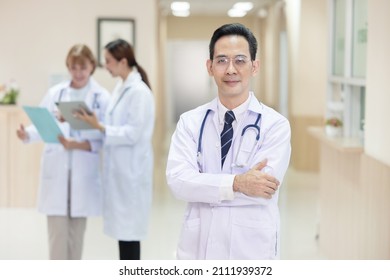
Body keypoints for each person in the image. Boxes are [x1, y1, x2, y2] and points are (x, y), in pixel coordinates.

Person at [166, 23, 291, 260]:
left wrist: (204, 185)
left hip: (250, 249)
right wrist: (238, 183)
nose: (230, 69)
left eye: (240, 60)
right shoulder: (190, 122)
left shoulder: (275, 125)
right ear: (209, 67)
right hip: (198, 247)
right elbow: (178, 181)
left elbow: (263, 188)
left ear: (255, 67)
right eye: (221, 60)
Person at [16, 44, 110, 259]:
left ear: (92, 67)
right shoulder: (55, 93)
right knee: (57, 241)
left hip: (82, 174)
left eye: (82, 68)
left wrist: (77, 143)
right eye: (73, 68)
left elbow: (105, 134)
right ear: (68, 67)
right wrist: (27, 134)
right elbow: (44, 125)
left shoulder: (101, 97)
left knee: (76, 241)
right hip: (57, 172)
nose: (77, 73)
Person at [76, 39, 155, 260]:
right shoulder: (121, 87)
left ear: (122, 61)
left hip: (131, 174)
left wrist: (99, 126)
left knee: (130, 237)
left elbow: (133, 133)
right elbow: (112, 121)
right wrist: (88, 120)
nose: (106, 66)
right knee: (124, 236)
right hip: (121, 172)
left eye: (108, 61)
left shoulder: (139, 92)